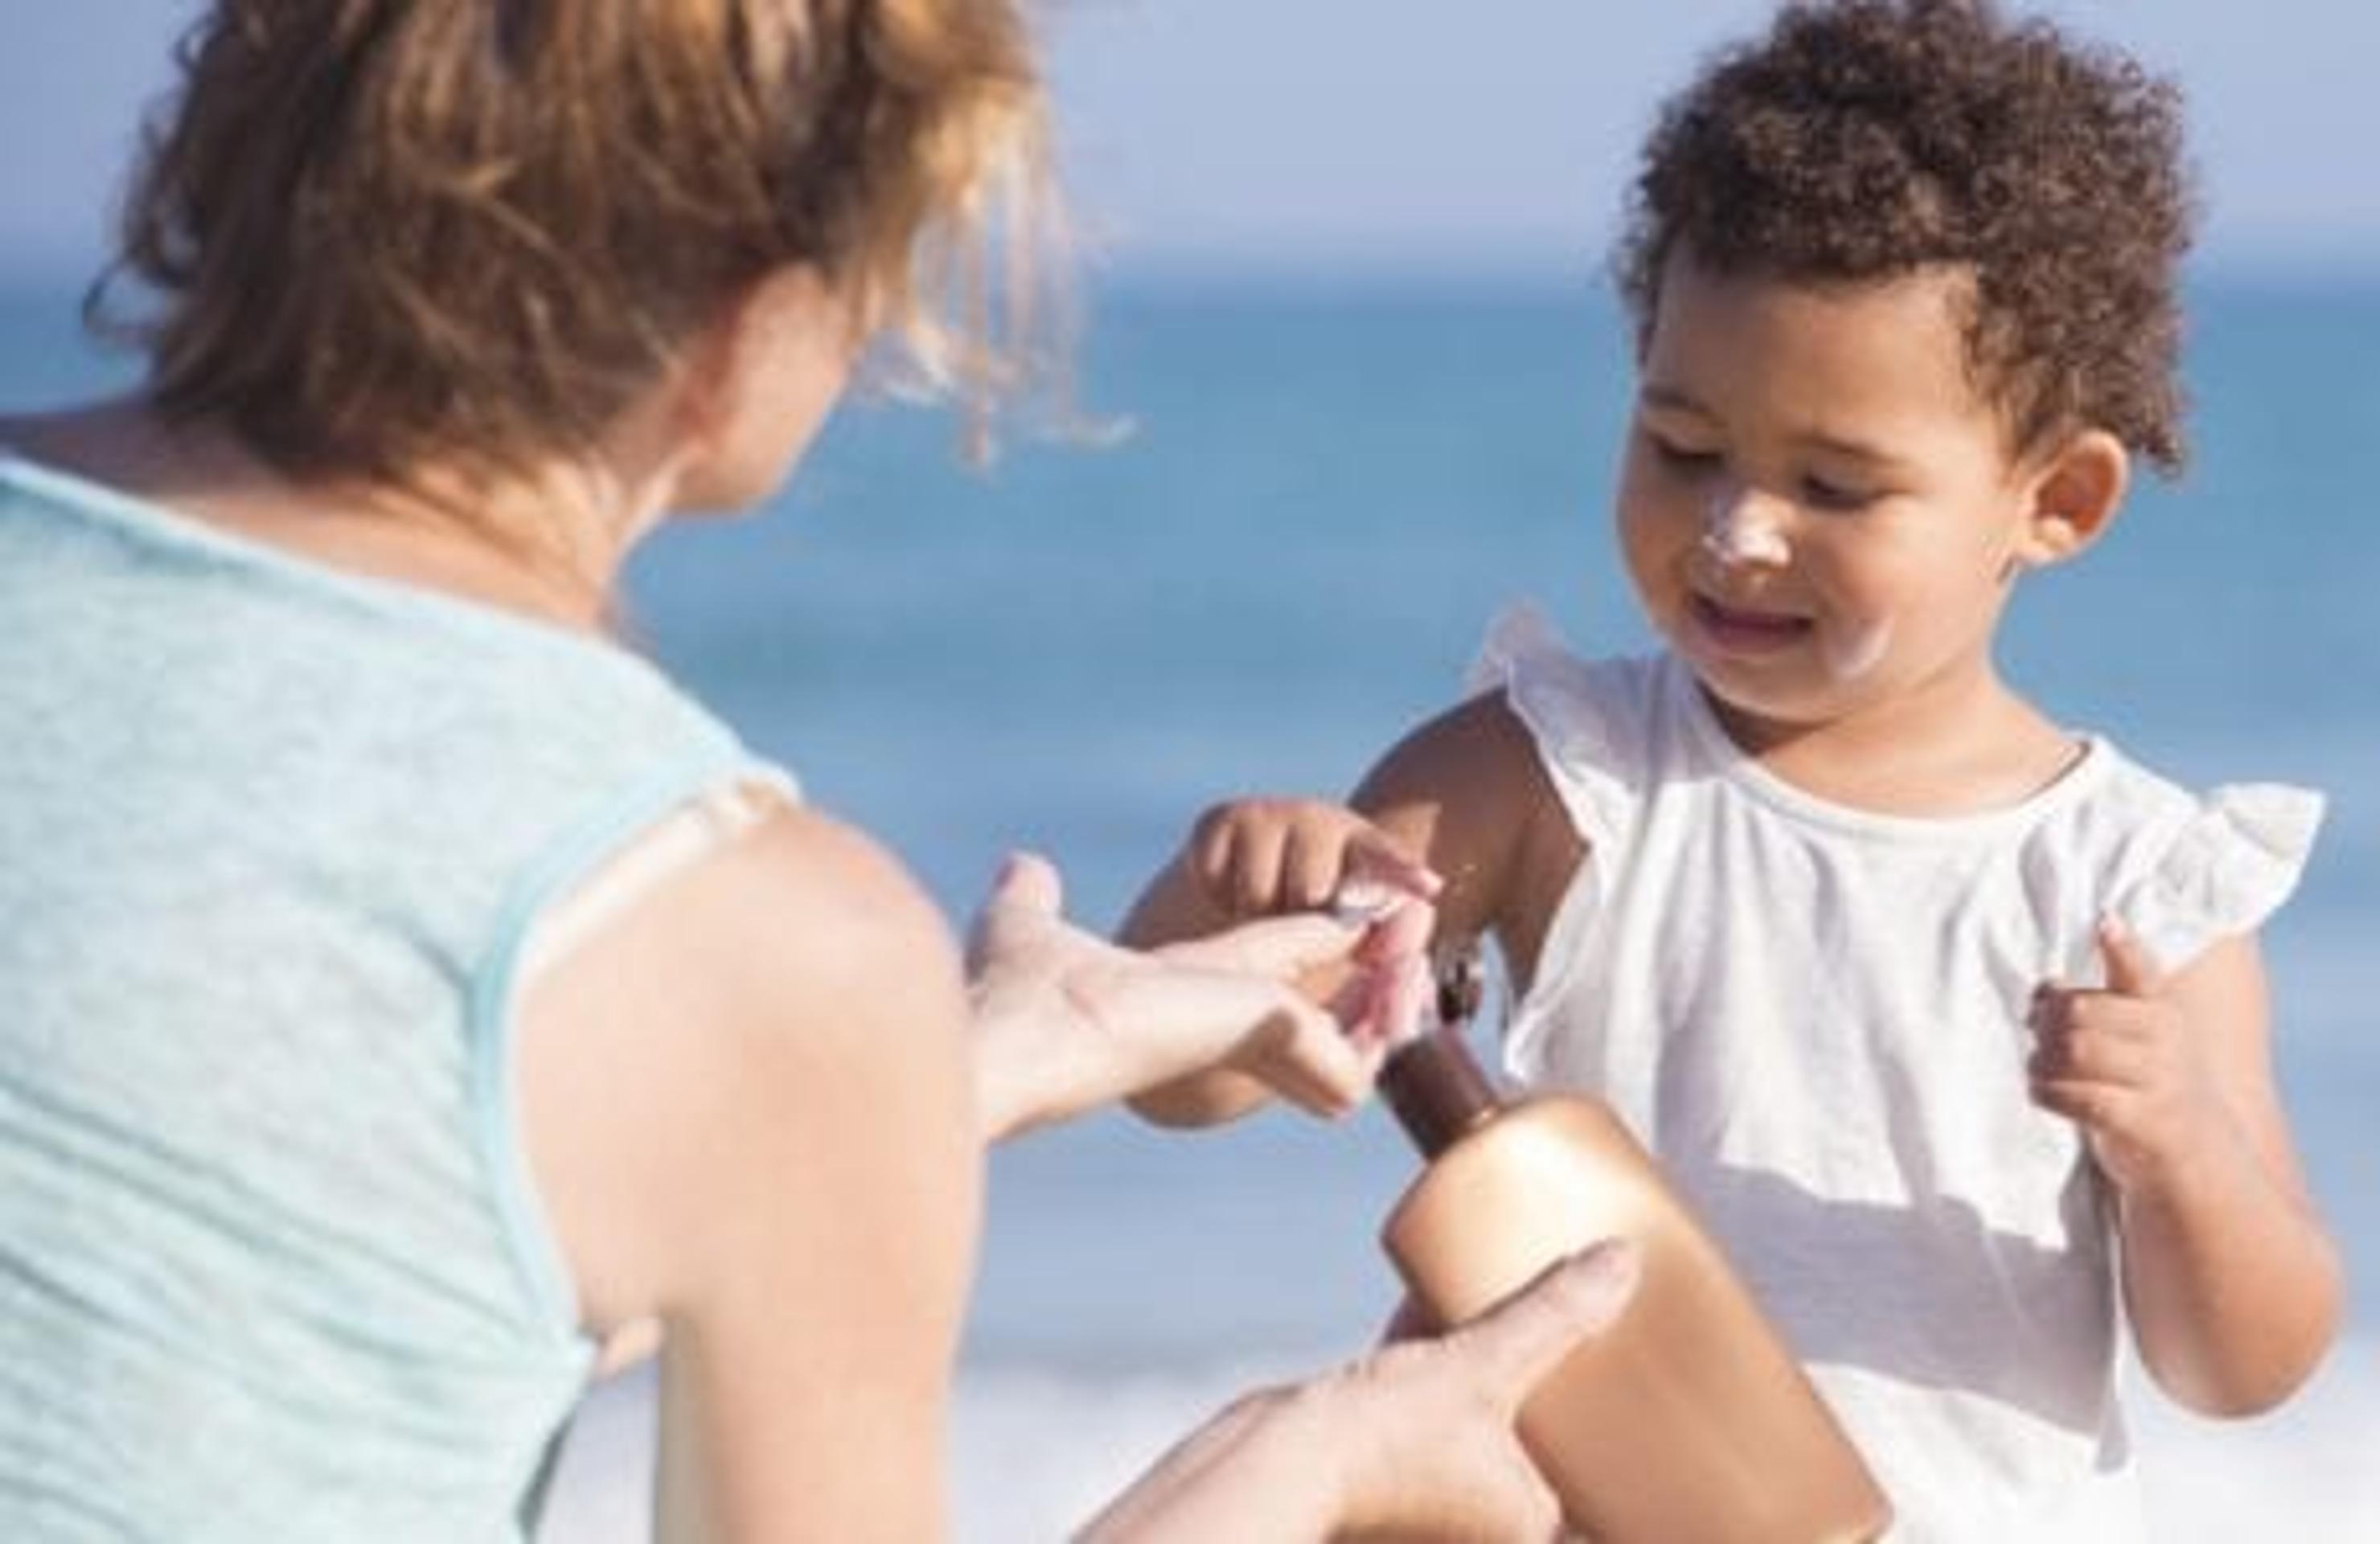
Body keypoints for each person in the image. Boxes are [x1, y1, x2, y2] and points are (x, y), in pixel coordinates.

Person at [0, 1, 1626, 1538]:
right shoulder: (760, 940)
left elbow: (261, 1256)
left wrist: (968, 1071)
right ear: (746, 323)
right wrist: (1312, 1456)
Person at [1119, 1, 2343, 1534]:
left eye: (1836, 484)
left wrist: (2184, 1158)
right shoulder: (1554, 776)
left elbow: (2242, 1363)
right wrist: (1231, 892)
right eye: (1685, 446)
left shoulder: (2129, 888)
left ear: (2059, 501)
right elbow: (1191, 1081)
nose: (1734, 531)